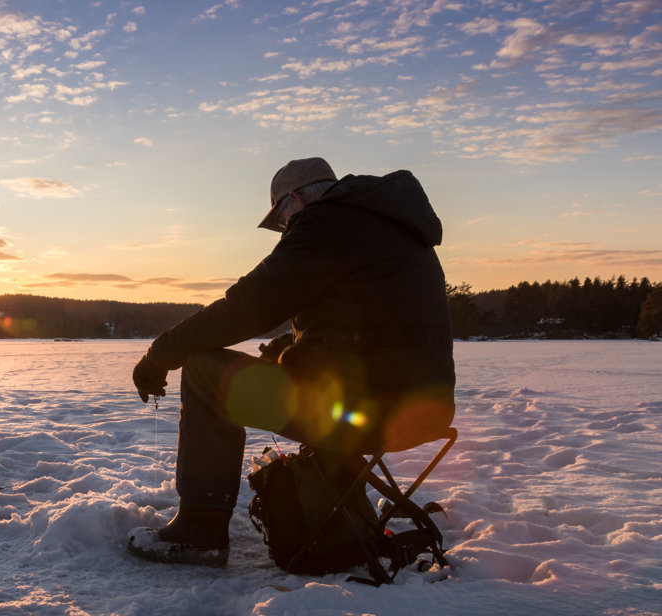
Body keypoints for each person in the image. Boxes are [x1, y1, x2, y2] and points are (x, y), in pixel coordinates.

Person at [129, 157, 456, 568]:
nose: (284, 230)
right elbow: (375, 327)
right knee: (281, 373)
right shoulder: (391, 228)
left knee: (202, 369)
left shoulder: (324, 224)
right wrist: (290, 348)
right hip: (424, 409)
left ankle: (200, 533)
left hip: (364, 410)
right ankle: (333, 514)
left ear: (296, 199)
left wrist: (161, 353)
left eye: (282, 220)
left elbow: (245, 307)